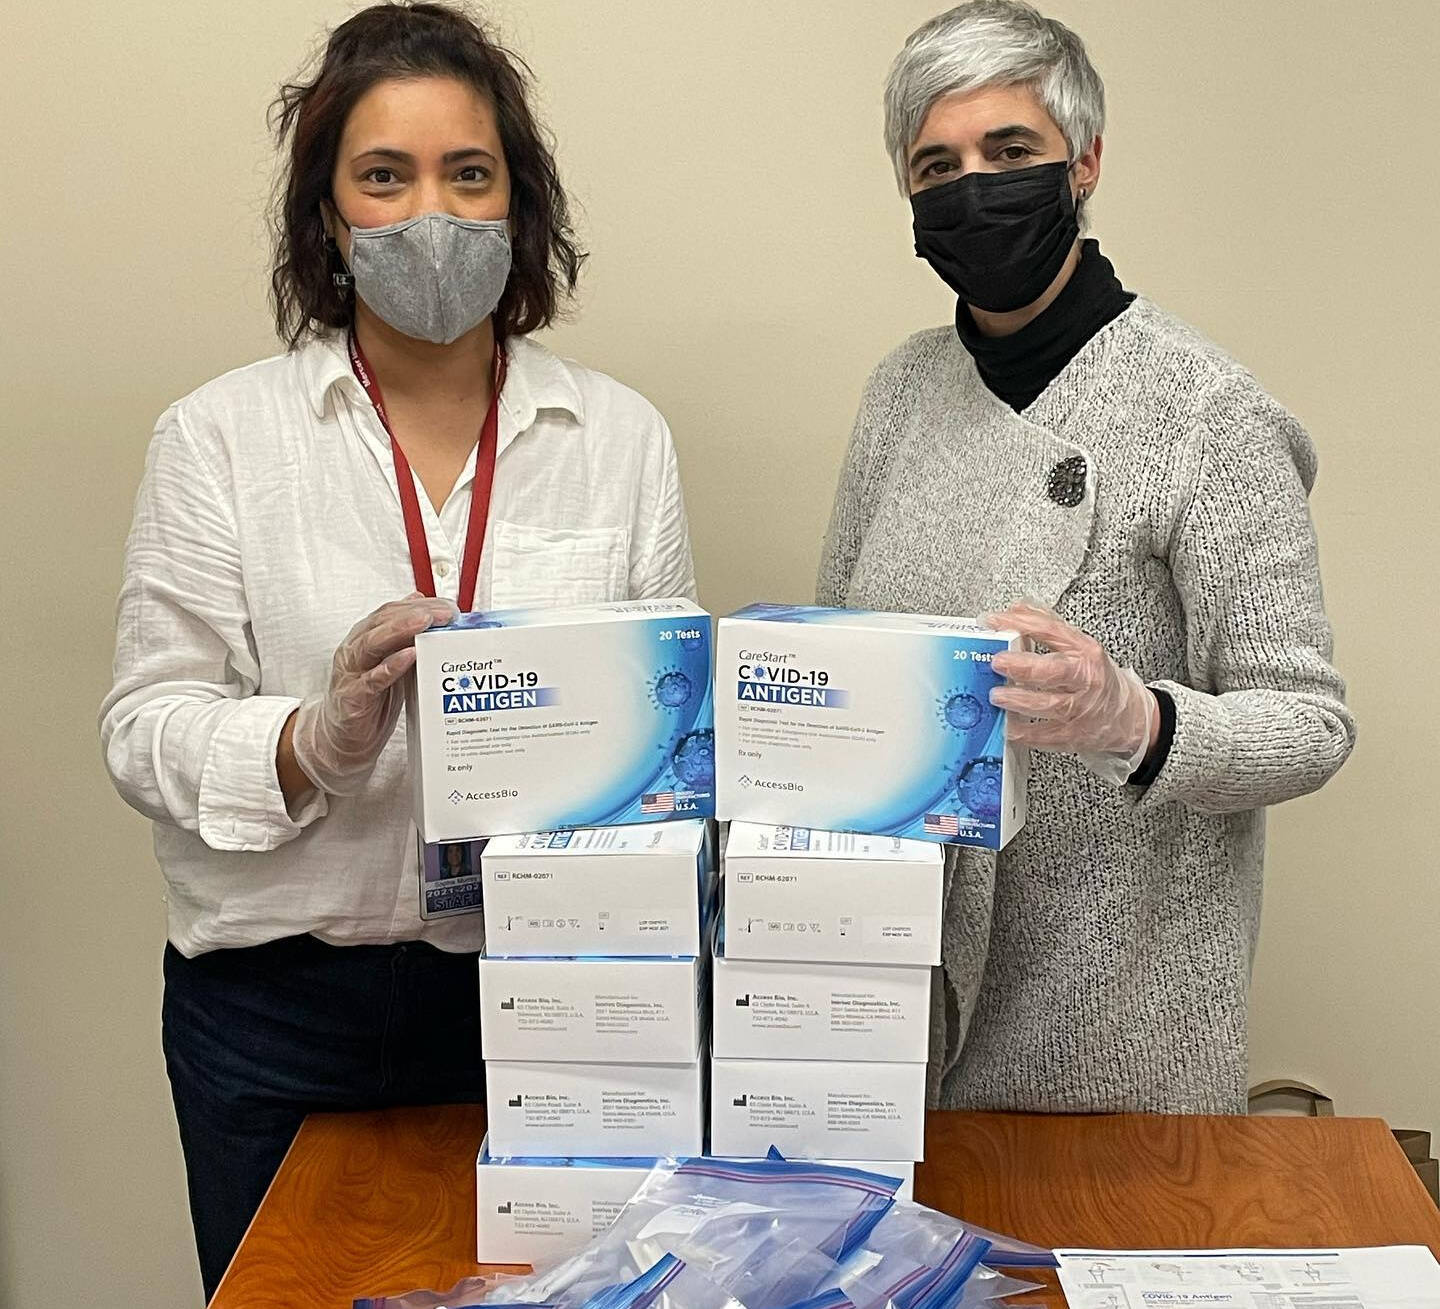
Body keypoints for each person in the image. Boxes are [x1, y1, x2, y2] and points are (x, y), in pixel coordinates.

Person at [99, 3, 694, 1295]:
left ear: (518, 203)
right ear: (328, 215)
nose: (432, 212)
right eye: (385, 176)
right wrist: (313, 740)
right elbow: (143, 731)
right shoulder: (218, 440)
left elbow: (667, 739)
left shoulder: (623, 440)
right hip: (273, 1022)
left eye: (467, 174)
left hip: (543, 1001)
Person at [817, 0, 1354, 1115]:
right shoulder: (901, 393)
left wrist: (1132, 718)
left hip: (1115, 1041)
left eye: (1009, 152)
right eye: (936, 165)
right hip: (896, 1023)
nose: (974, 187)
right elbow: (838, 659)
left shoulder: (1206, 410)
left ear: (1085, 161)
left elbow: (1309, 725)